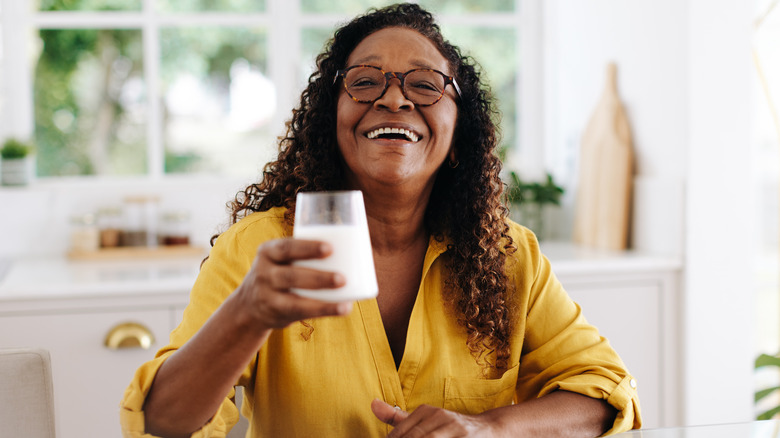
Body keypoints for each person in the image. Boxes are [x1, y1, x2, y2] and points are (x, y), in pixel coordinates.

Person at [120, 3, 642, 437]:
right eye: (365, 82)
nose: (393, 98)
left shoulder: (508, 255)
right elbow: (162, 424)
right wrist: (247, 315)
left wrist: (489, 428)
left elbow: (604, 390)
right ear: (332, 124)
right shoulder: (259, 248)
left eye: (425, 85)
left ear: (459, 133)